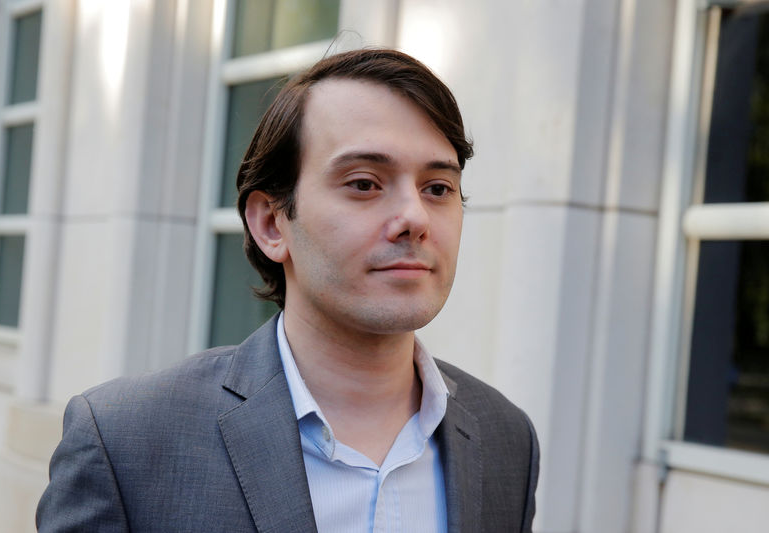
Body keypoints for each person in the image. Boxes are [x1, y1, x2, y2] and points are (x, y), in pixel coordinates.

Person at [36, 48, 538, 533]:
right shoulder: (126, 441)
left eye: (438, 189)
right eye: (364, 183)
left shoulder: (506, 439)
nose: (414, 217)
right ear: (272, 224)